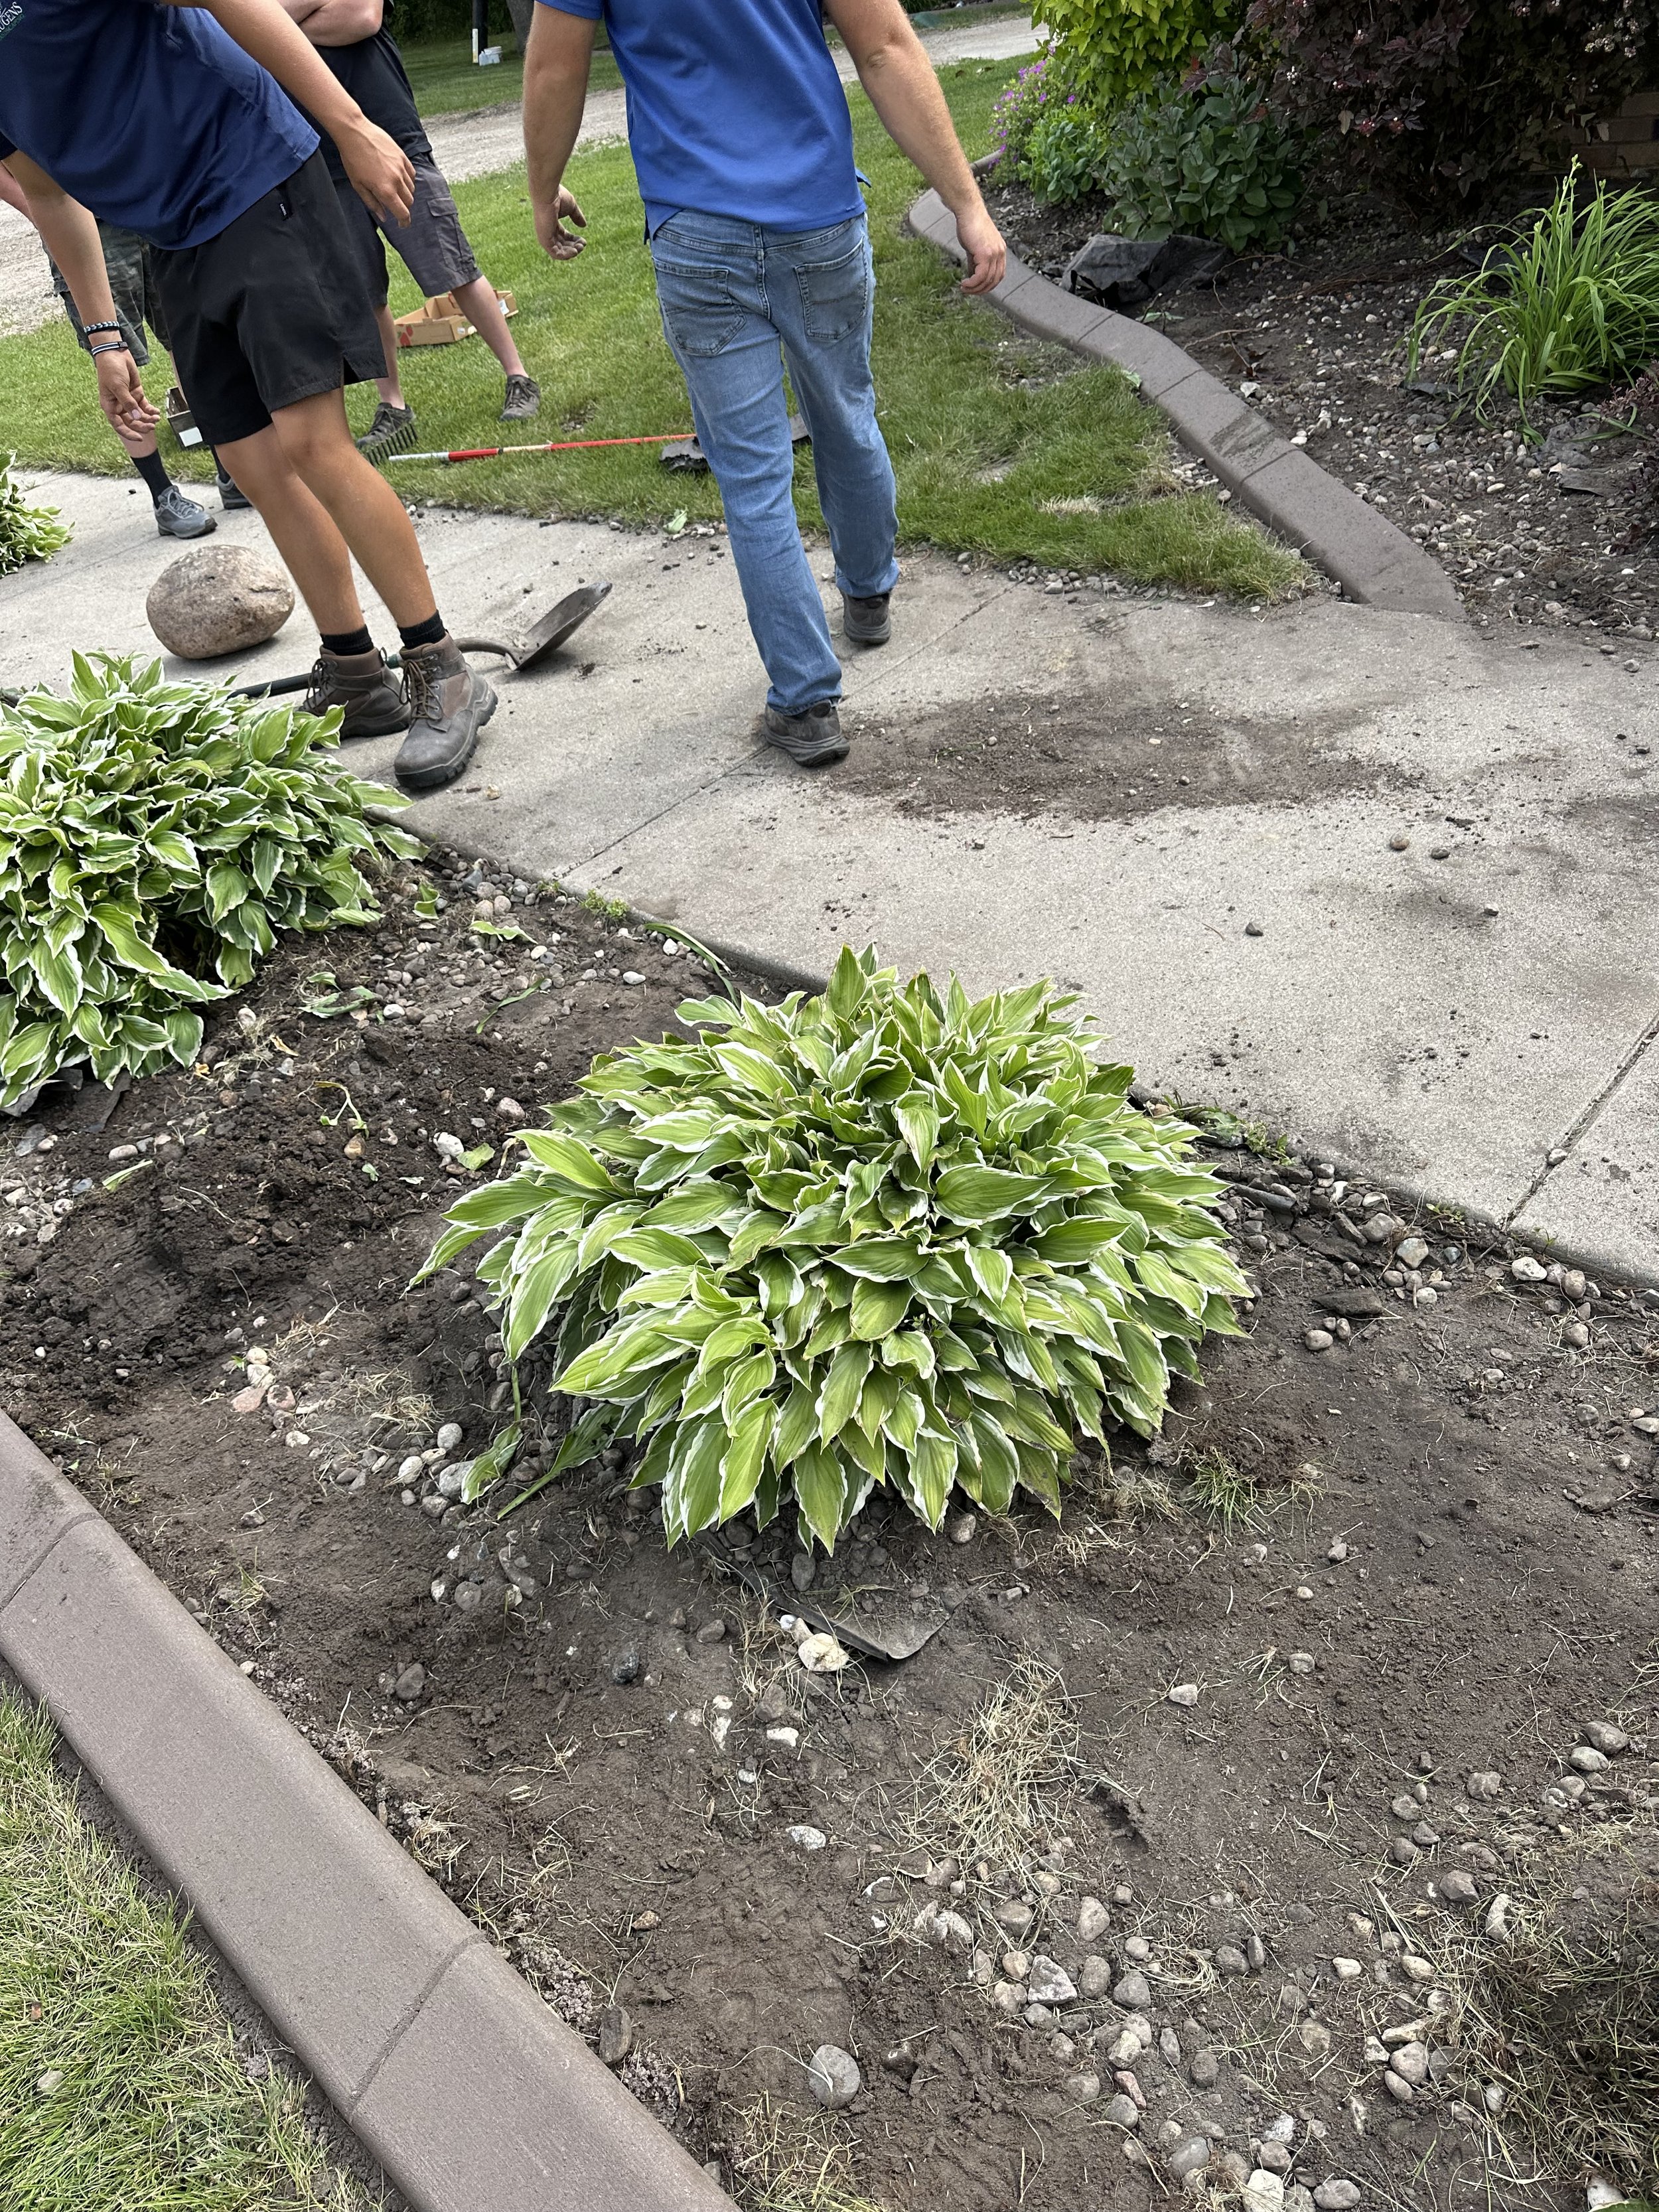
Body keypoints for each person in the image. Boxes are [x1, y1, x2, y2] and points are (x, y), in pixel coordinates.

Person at [0, 0, 496, 792]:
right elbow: (50, 196)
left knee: (310, 442)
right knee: (252, 463)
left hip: (254, 168)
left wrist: (351, 125)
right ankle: (356, 673)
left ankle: (442, 666)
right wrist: (104, 337)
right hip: (174, 236)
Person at [521, 0, 1005, 768]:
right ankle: (869, 592)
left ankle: (807, 703)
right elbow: (883, 48)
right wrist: (966, 204)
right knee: (845, 412)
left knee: (752, 475)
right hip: (818, 218)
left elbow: (554, 66)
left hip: (696, 230)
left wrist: (543, 189)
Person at [282, 0, 541, 456]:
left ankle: (519, 376)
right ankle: (394, 408)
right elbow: (257, 41)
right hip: (324, 162)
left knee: (454, 267)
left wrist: (284, 31)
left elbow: (363, 17)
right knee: (366, 294)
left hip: (393, 144)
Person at [0, 167, 218, 540]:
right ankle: (163, 495)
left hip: (151, 206)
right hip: (89, 230)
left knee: (191, 338)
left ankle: (229, 465)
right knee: (116, 359)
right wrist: (43, 211)